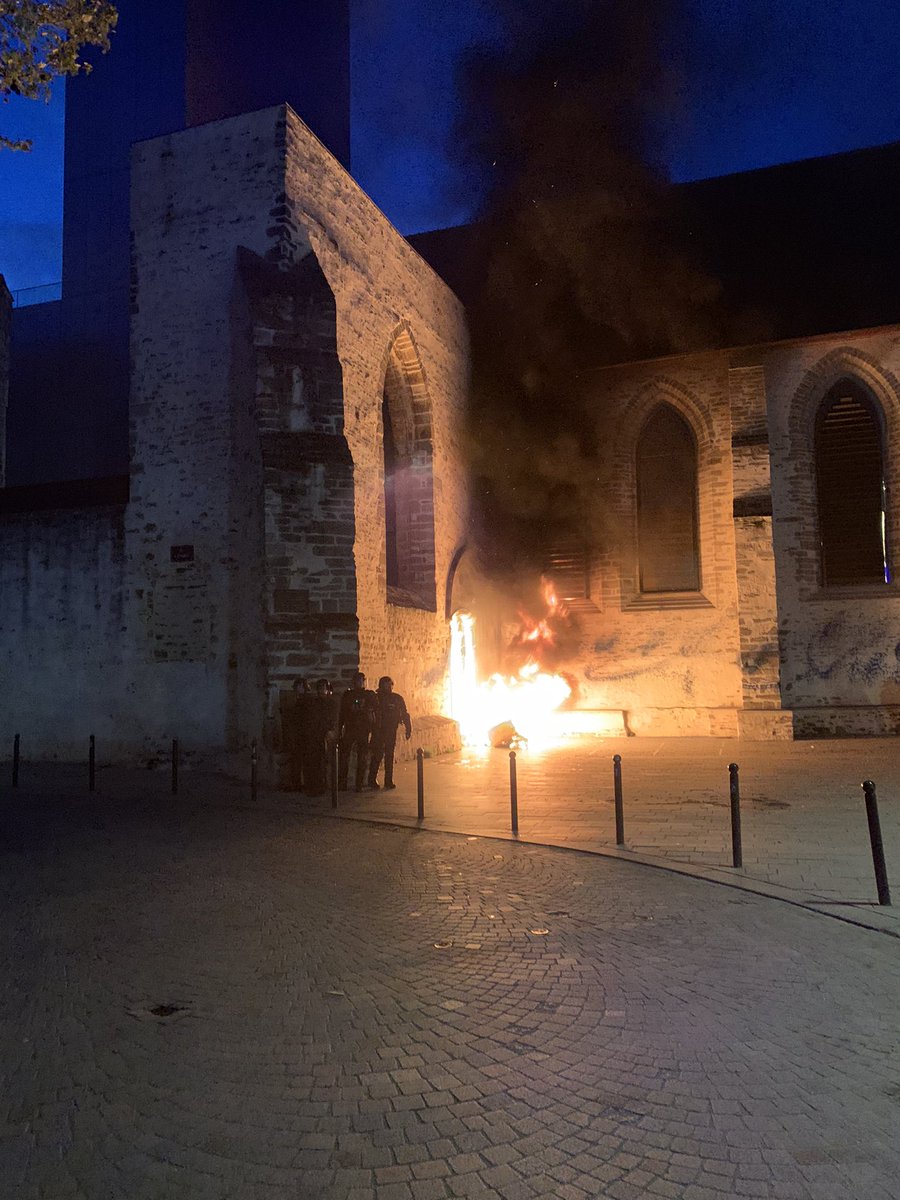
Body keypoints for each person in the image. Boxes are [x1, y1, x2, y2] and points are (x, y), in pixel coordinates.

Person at [368, 676, 412, 791]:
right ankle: (371, 779)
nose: (388, 687)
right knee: (377, 755)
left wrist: (408, 727)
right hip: (378, 730)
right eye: (386, 684)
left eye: (390, 684)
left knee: (389, 755)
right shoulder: (376, 698)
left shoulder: (397, 698)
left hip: (391, 730)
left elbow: (404, 713)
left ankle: (388, 780)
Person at [338, 671, 377, 792]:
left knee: (362, 758)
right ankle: (342, 783)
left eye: (361, 680)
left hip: (363, 729)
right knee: (344, 756)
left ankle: (359, 784)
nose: (359, 683)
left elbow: (375, 710)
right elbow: (343, 712)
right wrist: (340, 728)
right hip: (350, 727)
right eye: (357, 681)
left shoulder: (369, 695)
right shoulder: (348, 695)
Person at [303, 678, 336, 796]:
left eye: (324, 688)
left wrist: (329, 731)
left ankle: (322, 785)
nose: (322, 690)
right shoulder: (313, 702)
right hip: (313, 735)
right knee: (314, 762)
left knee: (323, 761)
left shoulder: (331, 703)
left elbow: (333, 719)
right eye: (320, 688)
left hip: (324, 735)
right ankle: (314, 785)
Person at [288, 677, 312, 791]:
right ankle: (298, 783)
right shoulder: (300, 700)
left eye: (298, 687)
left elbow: (303, 719)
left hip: (304, 735)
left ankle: (302, 783)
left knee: (303, 760)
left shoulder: (306, 701)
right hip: (300, 734)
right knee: (298, 760)